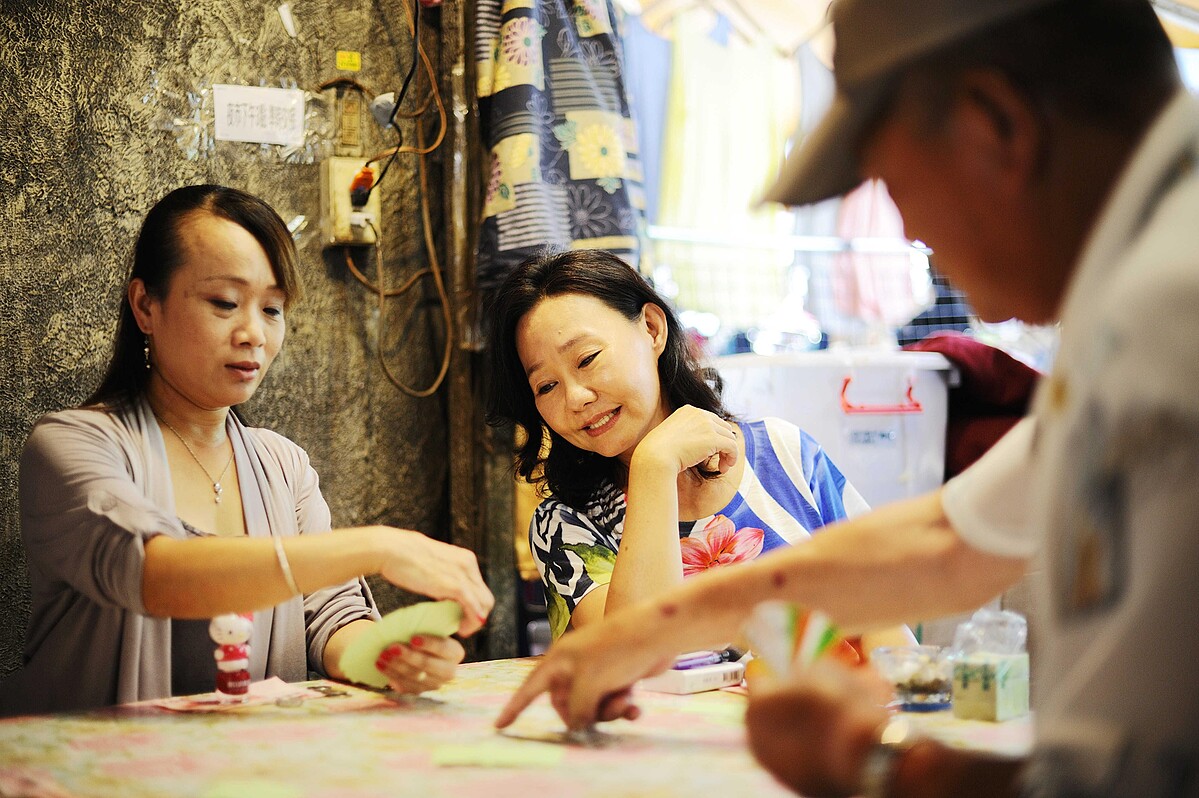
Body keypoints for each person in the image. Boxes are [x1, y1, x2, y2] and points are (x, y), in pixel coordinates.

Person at [496, 0, 1199, 794]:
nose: (906, 231)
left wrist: (873, 765)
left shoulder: (1169, 307)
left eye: (892, 180)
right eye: (545, 383)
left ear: (995, 126)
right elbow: (946, 540)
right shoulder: (1136, 302)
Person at [0, 185, 495, 717]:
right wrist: (377, 547)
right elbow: (155, 573)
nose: (253, 333)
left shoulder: (283, 465)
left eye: (273, 309)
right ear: (146, 305)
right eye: (224, 303)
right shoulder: (71, 445)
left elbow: (328, 613)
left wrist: (387, 656)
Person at [484, 248, 913, 652]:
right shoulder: (562, 526)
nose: (574, 398)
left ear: (652, 328)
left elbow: (885, 622)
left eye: (587, 358)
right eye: (546, 386)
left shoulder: (785, 453)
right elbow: (636, 655)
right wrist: (654, 465)